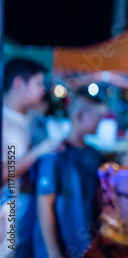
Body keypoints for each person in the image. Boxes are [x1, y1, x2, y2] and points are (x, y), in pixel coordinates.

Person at [34, 89, 106, 258]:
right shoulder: (55, 155)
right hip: (59, 245)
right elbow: (44, 207)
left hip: (86, 243)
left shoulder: (95, 155)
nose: (101, 122)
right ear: (80, 116)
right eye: (98, 117)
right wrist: (53, 253)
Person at [1, 58, 59, 258]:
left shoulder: (29, 119)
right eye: (38, 84)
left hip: (23, 215)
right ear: (18, 84)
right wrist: (37, 152)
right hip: (6, 218)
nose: (42, 90)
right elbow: (3, 175)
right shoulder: (5, 124)